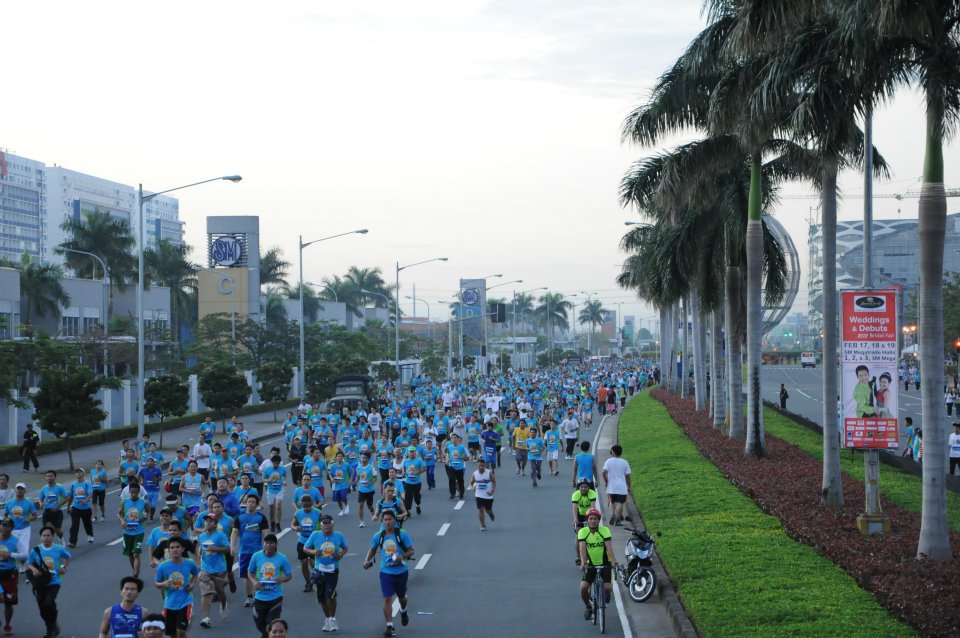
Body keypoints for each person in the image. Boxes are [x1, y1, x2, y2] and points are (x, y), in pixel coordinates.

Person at [362, 510, 414, 638]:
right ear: (382, 522)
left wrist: (402, 557)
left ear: (394, 521)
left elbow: (411, 550)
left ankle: (403, 611)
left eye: (390, 519)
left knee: (402, 597)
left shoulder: (402, 534)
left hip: (401, 571)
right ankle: (390, 626)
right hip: (386, 572)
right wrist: (366, 561)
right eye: (385, 520)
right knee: (387, 598)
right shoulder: (379, 536)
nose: (387, 522)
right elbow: (373, 548)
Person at [303, 514, 348, 632]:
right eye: (324, 524)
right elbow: (305, 548)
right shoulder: (315, 535)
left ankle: (333, 619)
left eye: (329, 523)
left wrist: (341, 555)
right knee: (322, 598)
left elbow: (345, 547)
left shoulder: (339, 535)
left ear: (332, 524)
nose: (327, 526)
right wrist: (314, 551)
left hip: (333, 570)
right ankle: (327, 619)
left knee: (330, 595)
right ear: (321, 526)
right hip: (319, 570)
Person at [27, 524, 70, 638]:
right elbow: (29, 563)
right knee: (42, 607)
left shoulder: (58, 548)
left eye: (48, 535)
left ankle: (52, 625)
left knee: (48, 603)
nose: (46, 537)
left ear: (52, 536)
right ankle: (50, 627)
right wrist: (34, 569)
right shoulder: (35, 550)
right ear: (40, 537)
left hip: (54, 581)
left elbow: (68, 556)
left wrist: (64, 567)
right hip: (40, 582)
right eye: (44, 535)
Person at [247, 534, 293, 638]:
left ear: (276, 544)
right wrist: (254, 582)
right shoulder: (256, 556)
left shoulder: (282, 558)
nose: (268, 545)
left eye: (271, 543)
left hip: (276, 597)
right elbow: (250, 573)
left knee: (273, 624)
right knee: (261, 625)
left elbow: (289, 575)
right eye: (266, 543)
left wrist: (281, 579)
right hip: (260, 597)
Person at [154, 536, 199, 638]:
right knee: (172, 633)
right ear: (168, 550)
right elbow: (156, 583)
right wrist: (163, 584)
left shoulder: (189, 563)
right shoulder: (163, 566)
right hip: (169, 603)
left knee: (181, 631)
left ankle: (187, 619)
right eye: (172, 547)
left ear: (182, 549)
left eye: (177, 547)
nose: (175, 550)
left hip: (186, 602)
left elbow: (195, 574)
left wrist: (192, 584)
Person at [577, 508, 616, 621]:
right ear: (587, 520)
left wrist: (614, 562)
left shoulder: (605, 530)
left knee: (608, 588)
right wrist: (583, 563)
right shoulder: (583, 532)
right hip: (590, 563)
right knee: (583, 588)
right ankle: (589, 607)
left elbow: (609, 548)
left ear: (599, 520)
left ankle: (604, 595)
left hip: (605, 563)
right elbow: (582, 548)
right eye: (590, 519)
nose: (593, 521)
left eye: (595, 519)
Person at [231, 493, 268, 608]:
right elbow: (235, 532)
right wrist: (232, 546)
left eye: (253, 502)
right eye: (249, 502)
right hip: (244, 551)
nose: (250, 504)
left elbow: (265, 533)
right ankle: (249, 597)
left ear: (256, 505)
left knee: (258, 573)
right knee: (246, 575)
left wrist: (266, 547)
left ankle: (259, 595)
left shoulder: (261, 518)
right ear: (245, 503)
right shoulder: (240, 517)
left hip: (257, 551)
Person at [197, 513, 231, 628]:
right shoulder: (202, 536)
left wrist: (215, 549)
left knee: (220, 591)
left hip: (220, 568)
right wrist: (199, 558)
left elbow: (228, 549)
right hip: (206, 568)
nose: (207, 523)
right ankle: (206, 618)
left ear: (216, 524)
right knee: (206, 593)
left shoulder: (220, 535)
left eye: (211, 521)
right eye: (206, 521)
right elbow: (201, 549)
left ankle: (223, 604)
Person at [0, 519, 26, 635]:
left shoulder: (15, 541)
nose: (4, 528)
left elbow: (25, 554)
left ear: (11, 528)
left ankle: (7, 624)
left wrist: (11, 554)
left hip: (10, 574)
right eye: (2, 525)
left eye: (6, 526)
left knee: (8, 603)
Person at [290, 495, 321, 592]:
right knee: (304, 563)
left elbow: (325, 523)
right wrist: (296, 528)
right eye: (304, 507)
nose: (307, 509)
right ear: (301, 505)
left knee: (313, 563)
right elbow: (292, 525)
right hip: (302, 540)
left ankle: (318, 580)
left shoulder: (318, 513)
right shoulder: (298, 513)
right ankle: (308, 583)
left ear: (312, 504)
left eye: (308, 506)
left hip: (314, 541)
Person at [4, 483, 37, 572]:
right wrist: (7, 523)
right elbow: (5, 515)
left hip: (24, 529)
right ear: (15, 490)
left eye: (21, 489)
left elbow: (35, 516)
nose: (19, 490)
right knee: (13, 548)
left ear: (24, 491)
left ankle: (22, 564)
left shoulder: (29, 503)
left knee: (24, 551)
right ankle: (16, 564)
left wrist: (28, 519)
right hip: (12, 529)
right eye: (18, 488)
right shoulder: (9, 503)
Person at [119, 481, 148, 578]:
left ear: (139, 492)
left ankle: (135, 575)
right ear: (129, 492)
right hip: (127, 532)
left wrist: (144, 517)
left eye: (136, 492)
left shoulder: (143, 502)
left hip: (139, 531)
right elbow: (119, 513)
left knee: (136, 553)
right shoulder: (125, 501)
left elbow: (147, 512)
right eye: (132, 492)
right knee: (130, 554)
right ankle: (135, 570)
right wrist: (122, 521)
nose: (134, 494)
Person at [602, 445, 632, 526]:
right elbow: (627, 476)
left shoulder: (608, 461)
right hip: (622, 486)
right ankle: (617, 519)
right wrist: (628, 486)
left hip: (611, 485)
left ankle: (613, 515)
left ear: (613, 452)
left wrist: (606, 480)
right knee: (620, 503)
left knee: (612, 501)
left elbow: (604, 472)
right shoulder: (625, 462)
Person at [65, 467, 95, 547]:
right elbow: (71, 496)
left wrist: (85, 500)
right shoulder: (73, 484)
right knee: (74, 524)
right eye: (77, 472)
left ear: (83, 474)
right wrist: (68, 507)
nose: (78, 474)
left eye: (80, 472)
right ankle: (72, 542)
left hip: (86, 507)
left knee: (87, 523)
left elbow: (90, 494)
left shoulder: (87, 483)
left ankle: (90, 535)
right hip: (76, 507)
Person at [571, 479, 598, 563]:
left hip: (589, 514)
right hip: (580, 515)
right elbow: (575, 508)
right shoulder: (576, 494)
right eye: (581, 487)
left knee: (592, 534)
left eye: (585, 487)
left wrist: (591, 519)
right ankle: (578, 556)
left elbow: (592, 508)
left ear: (588, 487)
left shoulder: (592, 493)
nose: (583, 488)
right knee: (579, 536)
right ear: (579, 487)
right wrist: (575, 519)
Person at [36, 471, 68, 540]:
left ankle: (61, 537)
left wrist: (57, 506)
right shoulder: (44, 488)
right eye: (48, 476)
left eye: (51, 476)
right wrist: (41, 504)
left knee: (58, 531)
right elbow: (40, 499)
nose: (49, 477)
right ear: (46, 478)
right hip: (47, 512)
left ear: (54, 477)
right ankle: (48, 543)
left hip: (57, 512)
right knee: (47, 529)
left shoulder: (60, 487)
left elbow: (66, 498)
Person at [469, 458, 496, 531]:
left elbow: (494, 482)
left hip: (488, 495)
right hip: (479, 495)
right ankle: (483, 525)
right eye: (479, 466)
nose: (481, 467)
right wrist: (472, 487)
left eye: (482, 466)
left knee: (488, 510)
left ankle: (491, 514)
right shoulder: (475, 474)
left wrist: (492, 490)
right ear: (477, 466)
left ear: (485, 466)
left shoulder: (489, 473)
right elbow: (471, 483)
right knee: (480, 510)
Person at [262, 455, 288, 533]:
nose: (275, 465)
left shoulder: (282, 469)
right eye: (274, 463)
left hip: (280, 490)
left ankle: (278, 524)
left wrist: (284, 481)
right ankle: (272, 522)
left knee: (278, 506)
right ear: (272, 463)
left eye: (277, 463)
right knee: (271, 508)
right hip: (270, 490)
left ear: (279, 463)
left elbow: (284, 476)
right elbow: (263, 479)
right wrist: (268, 480)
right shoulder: (267, 469)